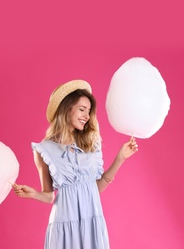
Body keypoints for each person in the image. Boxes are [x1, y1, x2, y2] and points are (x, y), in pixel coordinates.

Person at [13, 79, 138, 249]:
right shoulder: (44, 150)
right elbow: (49, 196)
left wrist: (121, 158)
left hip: (92, 222)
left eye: (89, 111)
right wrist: (33, 193)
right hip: (64, 226)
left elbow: (95, 188)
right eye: (81, 109)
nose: (87, 116)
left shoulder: (91, 143)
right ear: (66, 109)